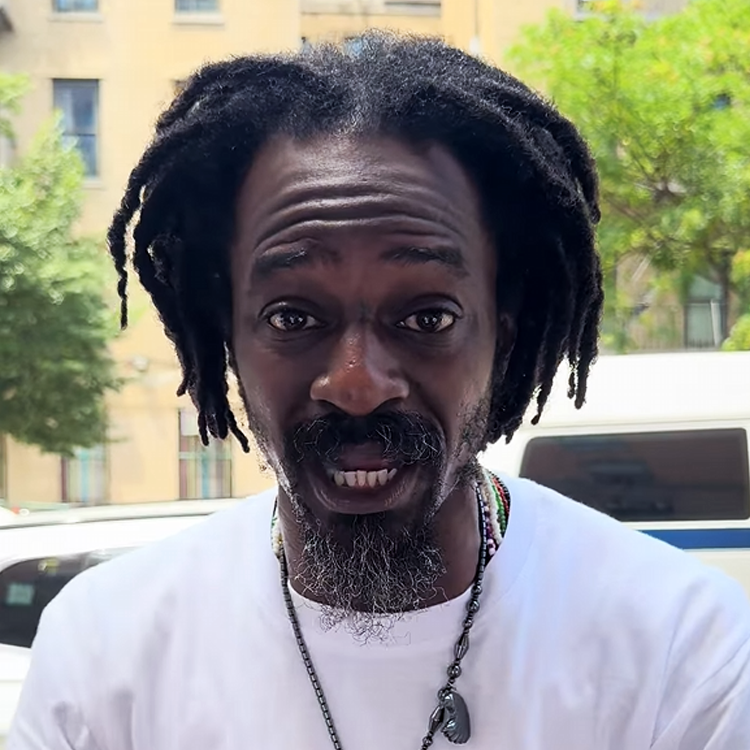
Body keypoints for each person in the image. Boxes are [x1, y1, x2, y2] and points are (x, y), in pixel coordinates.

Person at [9, 32, 750, 750]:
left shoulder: (682, 649)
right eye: (293, 317)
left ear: (504, 336)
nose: (357, 384)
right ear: (227, 336)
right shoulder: (106, 653)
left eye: (428, 317)